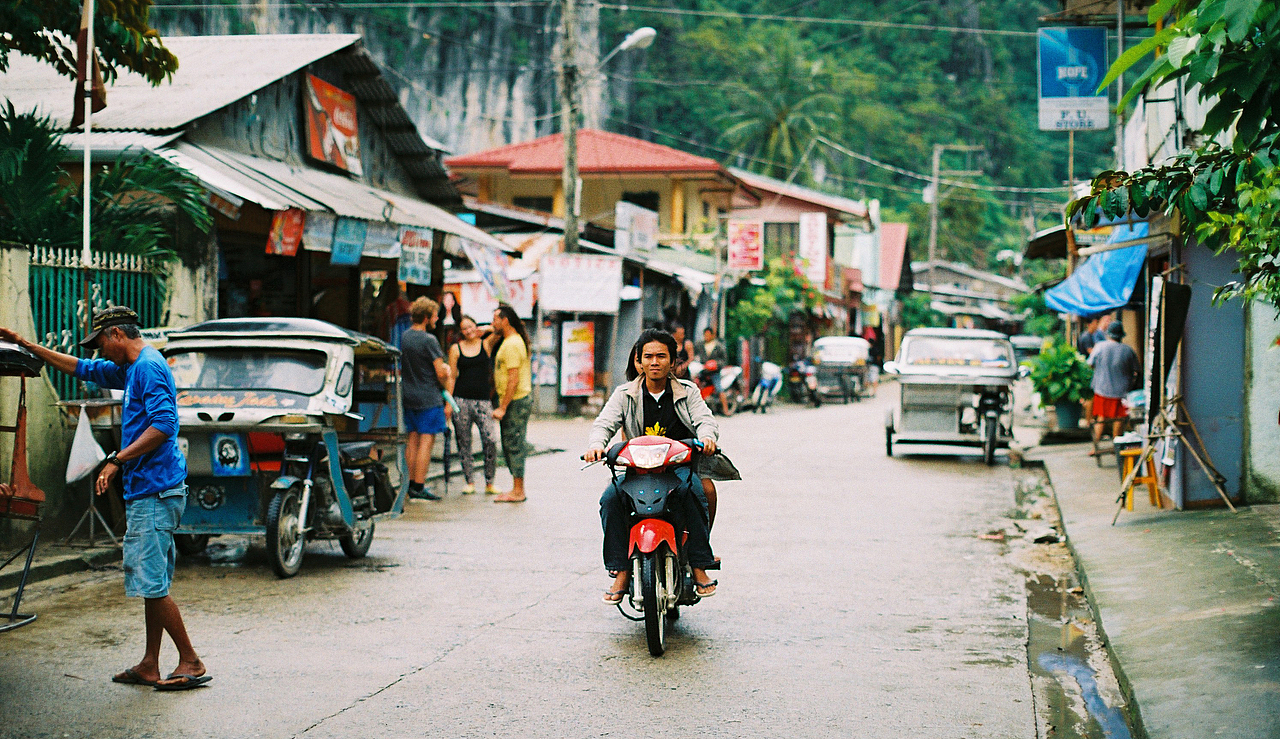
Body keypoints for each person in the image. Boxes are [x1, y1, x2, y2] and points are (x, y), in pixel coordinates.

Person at [0, 307, 209, 690]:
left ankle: (191, 660)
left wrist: (116, 459)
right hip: (151, 488)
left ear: (115, 334)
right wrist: (27, 346)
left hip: (156, 489)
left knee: (152, 583)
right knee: (152, 582)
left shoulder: (147, 366)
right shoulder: (130, 368)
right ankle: (150, 663)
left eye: (100, 344)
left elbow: (164, 425)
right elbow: (80, 368)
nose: (99, 352)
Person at [586, 329, 719, 604]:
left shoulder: (688, 391)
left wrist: (707, 437)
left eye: (661, 356)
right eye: (648, 356)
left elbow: (705, 420)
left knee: (695, 493)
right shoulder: (624, 394)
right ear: (639, 360)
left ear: (673, 361)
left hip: (678, 466)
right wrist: (596, 444)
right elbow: (604, 423)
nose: (654, 362)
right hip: (638, 469)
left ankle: (698, 564)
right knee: (610, 500)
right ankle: (620, 569)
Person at [402, 297, 452, 500]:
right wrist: (447, 372)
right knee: (426, 441)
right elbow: (440, 372)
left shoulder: (405, 336)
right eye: (434, 315)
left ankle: (409, 483)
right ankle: (419, 485)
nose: (437, 318)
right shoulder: (429, 340)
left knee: (412, 439)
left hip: (408, 394)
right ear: (426, 317)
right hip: (428, 396)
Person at [447, 315, 500, 495]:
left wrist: (484, 330)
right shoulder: (456, 348)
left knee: (490, 439)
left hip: (484, 400)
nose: (468, 331)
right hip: (461, 400)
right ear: (460, 332)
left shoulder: (486, 344)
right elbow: (452, 376)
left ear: (476, 326)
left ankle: (489, 481)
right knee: (463, 441)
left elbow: (499, 329)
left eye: (471, 327)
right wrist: (449, 402)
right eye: (464, 329)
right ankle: (469, 480)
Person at [491, 304, 532, 503]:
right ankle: (516, 488)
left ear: (504, 320)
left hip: (515, 402)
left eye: (495, 320)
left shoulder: (512, 344)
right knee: (510, 443)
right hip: (513, 401)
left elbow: (513, 379)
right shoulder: (508, 341)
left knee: (514, 443)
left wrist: (503, 407)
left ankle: (518, 490)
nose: (493, 324)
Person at [1088, 320, 1139, 452]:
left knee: (1101, 417)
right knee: (1119, 418)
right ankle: (1116, 446)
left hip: (1102, 389)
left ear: (1108, 334)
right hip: (1122, 391)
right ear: (1121, 335)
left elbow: (1090, 363)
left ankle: (1095, 446)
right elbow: (1137, 371)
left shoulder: (1099, 346)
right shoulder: (1128, 350)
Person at [695, 326, 730, 415]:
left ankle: (725, 410)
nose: (706, 337)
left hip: (715, 372)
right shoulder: (700, 345)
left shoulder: (718, 346)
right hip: (703, 371)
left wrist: (715, 364)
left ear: (712, 335)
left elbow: (724, 360)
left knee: (719, 389)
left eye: (708, 335)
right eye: (705, 335)